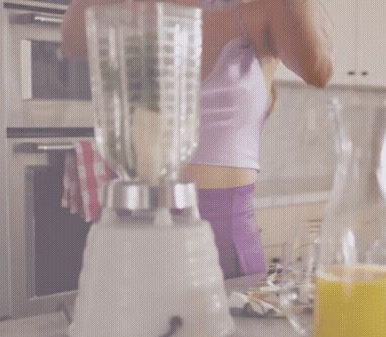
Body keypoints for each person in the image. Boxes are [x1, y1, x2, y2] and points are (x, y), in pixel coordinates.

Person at [63, 0, 333, 278]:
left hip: (222, 244)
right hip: (134, 232)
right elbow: (73, 38)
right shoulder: (137, 11)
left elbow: (319, 69)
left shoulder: (261, 10)